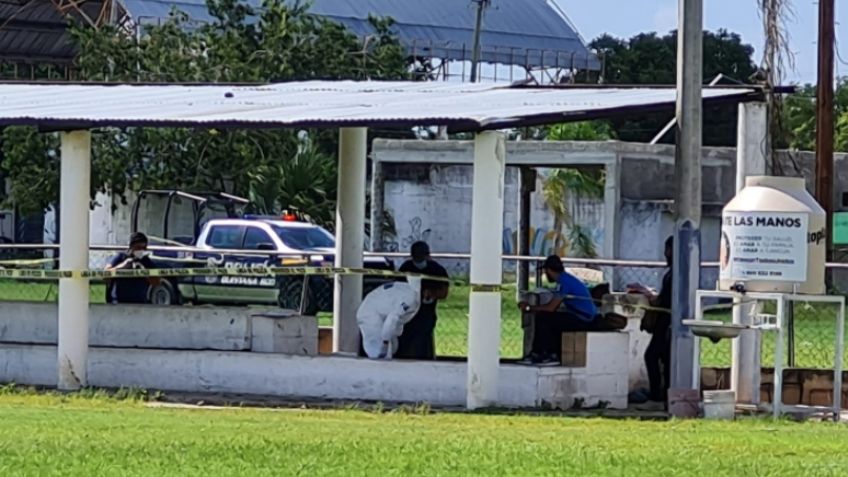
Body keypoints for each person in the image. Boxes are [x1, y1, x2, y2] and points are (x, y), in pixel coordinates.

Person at [517, 255, 598, 366]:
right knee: (553, 319)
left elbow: (551, 308)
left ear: (549, 270)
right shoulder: (566, 279)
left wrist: (529, 308)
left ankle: (545, 354)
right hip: (582, 315)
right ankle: (548, 352)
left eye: (545, 271)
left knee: (543, 317)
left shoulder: (564, 282)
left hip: (584, 318)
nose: (545, 274)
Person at [356, 277, 448, 359]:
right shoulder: (410, 299)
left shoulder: (409, 291)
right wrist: (385, 340)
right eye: (434, 296)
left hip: (376, 312)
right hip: (371, 314)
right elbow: (393, 318)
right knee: (379, 352)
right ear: (428, 291)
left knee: (392, 348)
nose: (432, 299)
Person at [629, 236, 673, 406]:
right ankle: (664, 393)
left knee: (653, 356)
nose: (665, 254)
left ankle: (657, 395)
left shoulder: (673, 274)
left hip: (666, 322)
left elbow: (663, 300)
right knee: (664, 358)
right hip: (667, 321)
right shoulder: (675, 273)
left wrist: (647, 293)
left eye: (667, 249)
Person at [396, 241, 449, 360]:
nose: (419, 260)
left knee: (423, 339)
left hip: (426, 313)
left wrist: (432, 294)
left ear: (428, 256)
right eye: (416, 257)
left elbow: (444, 292)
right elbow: (397, 288)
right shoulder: (406, 268)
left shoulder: (437, 270)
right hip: (407, 312)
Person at [105, 232, 161, 304]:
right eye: (138, 247)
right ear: (131, 246)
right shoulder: (120, 257)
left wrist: (144, 272)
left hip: (140, 303)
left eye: (144, 248)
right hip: (118, 302)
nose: (141, 250)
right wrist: (122, 267)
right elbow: (105, 274)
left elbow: (157, 282)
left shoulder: (146, 261)